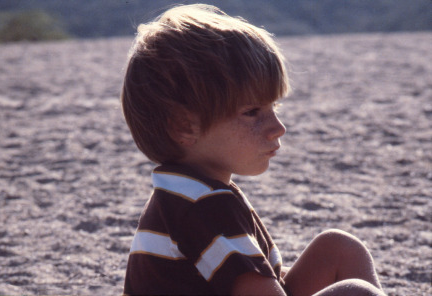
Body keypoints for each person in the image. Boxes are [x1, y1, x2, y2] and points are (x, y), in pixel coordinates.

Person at [120, 4, 386, 296]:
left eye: (275, 107)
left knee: (338, 249)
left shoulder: (187, 193)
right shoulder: (204, 207)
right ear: (185, 127)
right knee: (356, 293)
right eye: (252, 112)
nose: (278, 127)